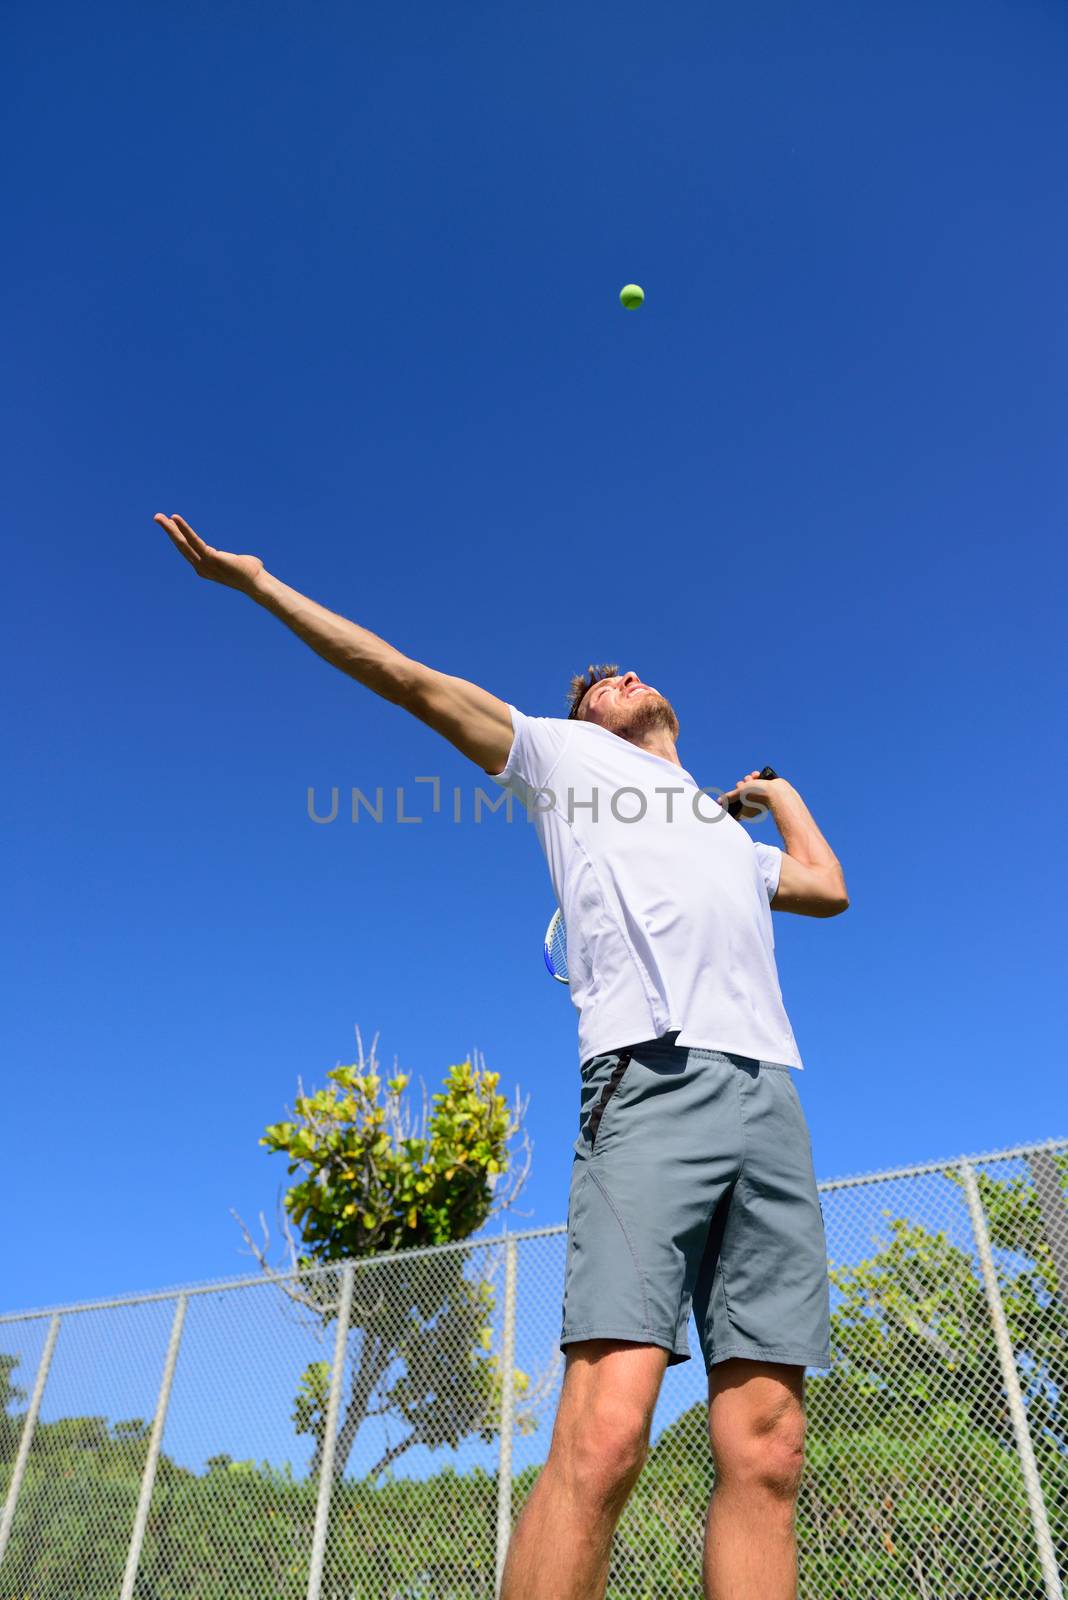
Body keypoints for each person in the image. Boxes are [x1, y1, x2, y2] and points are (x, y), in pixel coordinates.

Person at [152, 512, 850, 1600]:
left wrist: (770, 793)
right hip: (649, 1083)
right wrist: (257, 583)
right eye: (588, 683)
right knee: (608, 1432)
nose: (605, 675)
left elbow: (826, 887)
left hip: (767, 1096)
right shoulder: (568, 763)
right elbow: (399, 674)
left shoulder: (726, 837)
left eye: (618, 671)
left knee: (768, 1444)